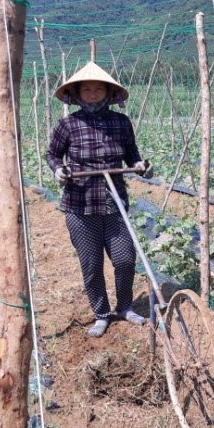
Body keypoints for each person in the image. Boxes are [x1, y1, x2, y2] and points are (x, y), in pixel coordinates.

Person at [46, 61, 154, 337]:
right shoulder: (68, 125)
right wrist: (59, 170)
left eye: (98, 89)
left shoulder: (121, 123)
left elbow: (132, 155)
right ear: (77, 94)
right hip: (80, 205)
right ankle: (101, 314)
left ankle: (125, 307)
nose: (93, 94)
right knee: (92, 265)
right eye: (87, 90)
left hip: (113, 201)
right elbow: (53, 155)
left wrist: (141, 165)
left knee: (125, 259)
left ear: (108, 92)